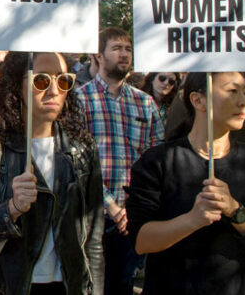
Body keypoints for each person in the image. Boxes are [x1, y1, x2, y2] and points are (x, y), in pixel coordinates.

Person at [0, 52, 104, 295]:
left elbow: (93, 241)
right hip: (8, 286)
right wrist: (11, 209)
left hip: (68, 286)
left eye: (63, 80)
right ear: (17, 84)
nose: (54, 90)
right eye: (41, 80)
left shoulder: (81, 148)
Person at [127, 71, 245, 294]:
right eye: (232, 91)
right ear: (198, 100)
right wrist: (192, 220)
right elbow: (141, 241)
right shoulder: (158, 161)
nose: (244, 102)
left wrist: (235, 210)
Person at [75, 27, 163, 295]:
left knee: (122, 286)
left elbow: (155, 160)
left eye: (127, 48)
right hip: (91, 214)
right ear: (98, 55)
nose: (124, 54)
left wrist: (135, 205)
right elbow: (77, 161)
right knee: (89, 286)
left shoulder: (145, 103)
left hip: (132, 218)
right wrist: (110, 204)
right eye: (116, 48)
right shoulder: (79, 99)